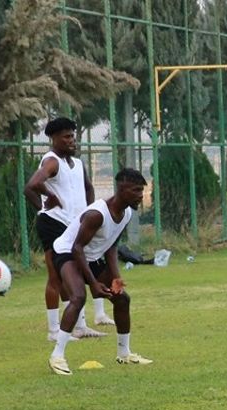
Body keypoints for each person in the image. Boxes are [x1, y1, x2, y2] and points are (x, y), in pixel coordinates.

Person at [47, 169, 151, 375]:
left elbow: (111, 246)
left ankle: (124, 353)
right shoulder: (97, 214)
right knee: (78, 297)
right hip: (67, 253)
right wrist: (93, 283)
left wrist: (116, 278)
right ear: (121, 190)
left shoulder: (127, 213)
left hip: (90, 257)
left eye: (142, 190)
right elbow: (77, 248)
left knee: (122, 299)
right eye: (136, 190)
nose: (141, 195)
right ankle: (57, 356)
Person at [25, 117, 103, 340]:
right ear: (54, 139)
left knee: (75, 275)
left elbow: (88, 188)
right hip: (53, 224)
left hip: (73, 225)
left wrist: (88, 213)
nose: (72, 140)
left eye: (73, 136)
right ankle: (53, 330)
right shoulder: (52, 162)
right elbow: (31, 185)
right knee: (56, 277)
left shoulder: (77, 163)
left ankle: (80, 326)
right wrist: (46, 200)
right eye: (66, 137)